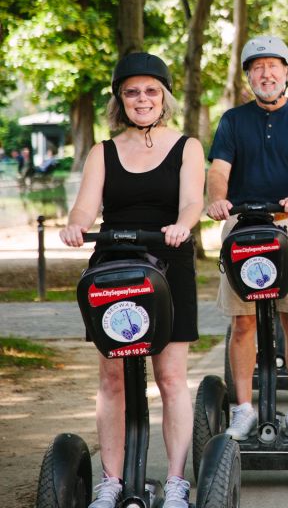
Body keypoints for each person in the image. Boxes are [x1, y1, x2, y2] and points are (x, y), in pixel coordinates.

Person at [60, 52, 205, 508]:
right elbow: (86, 206)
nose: (141, 99)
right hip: (115, 265)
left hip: (169, 259)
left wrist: (184, 225)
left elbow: (191, 203)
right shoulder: (103, 151)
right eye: (131, 91)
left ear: (163, 97)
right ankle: (111, 481)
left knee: (170, 375)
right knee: (113, 378)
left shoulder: (188, 146)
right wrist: (76, 224)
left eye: (150, 90)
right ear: (119, 100)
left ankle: (178, 481)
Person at [207, 35, 288, 442]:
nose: (266, 73)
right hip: (242, 224)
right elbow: (219, 168)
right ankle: (243, 409)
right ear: (247, 77)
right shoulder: (233, 121)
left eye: (273, 65)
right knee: (242, 324)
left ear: (287, 72)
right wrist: (217, 199)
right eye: (257, 67)